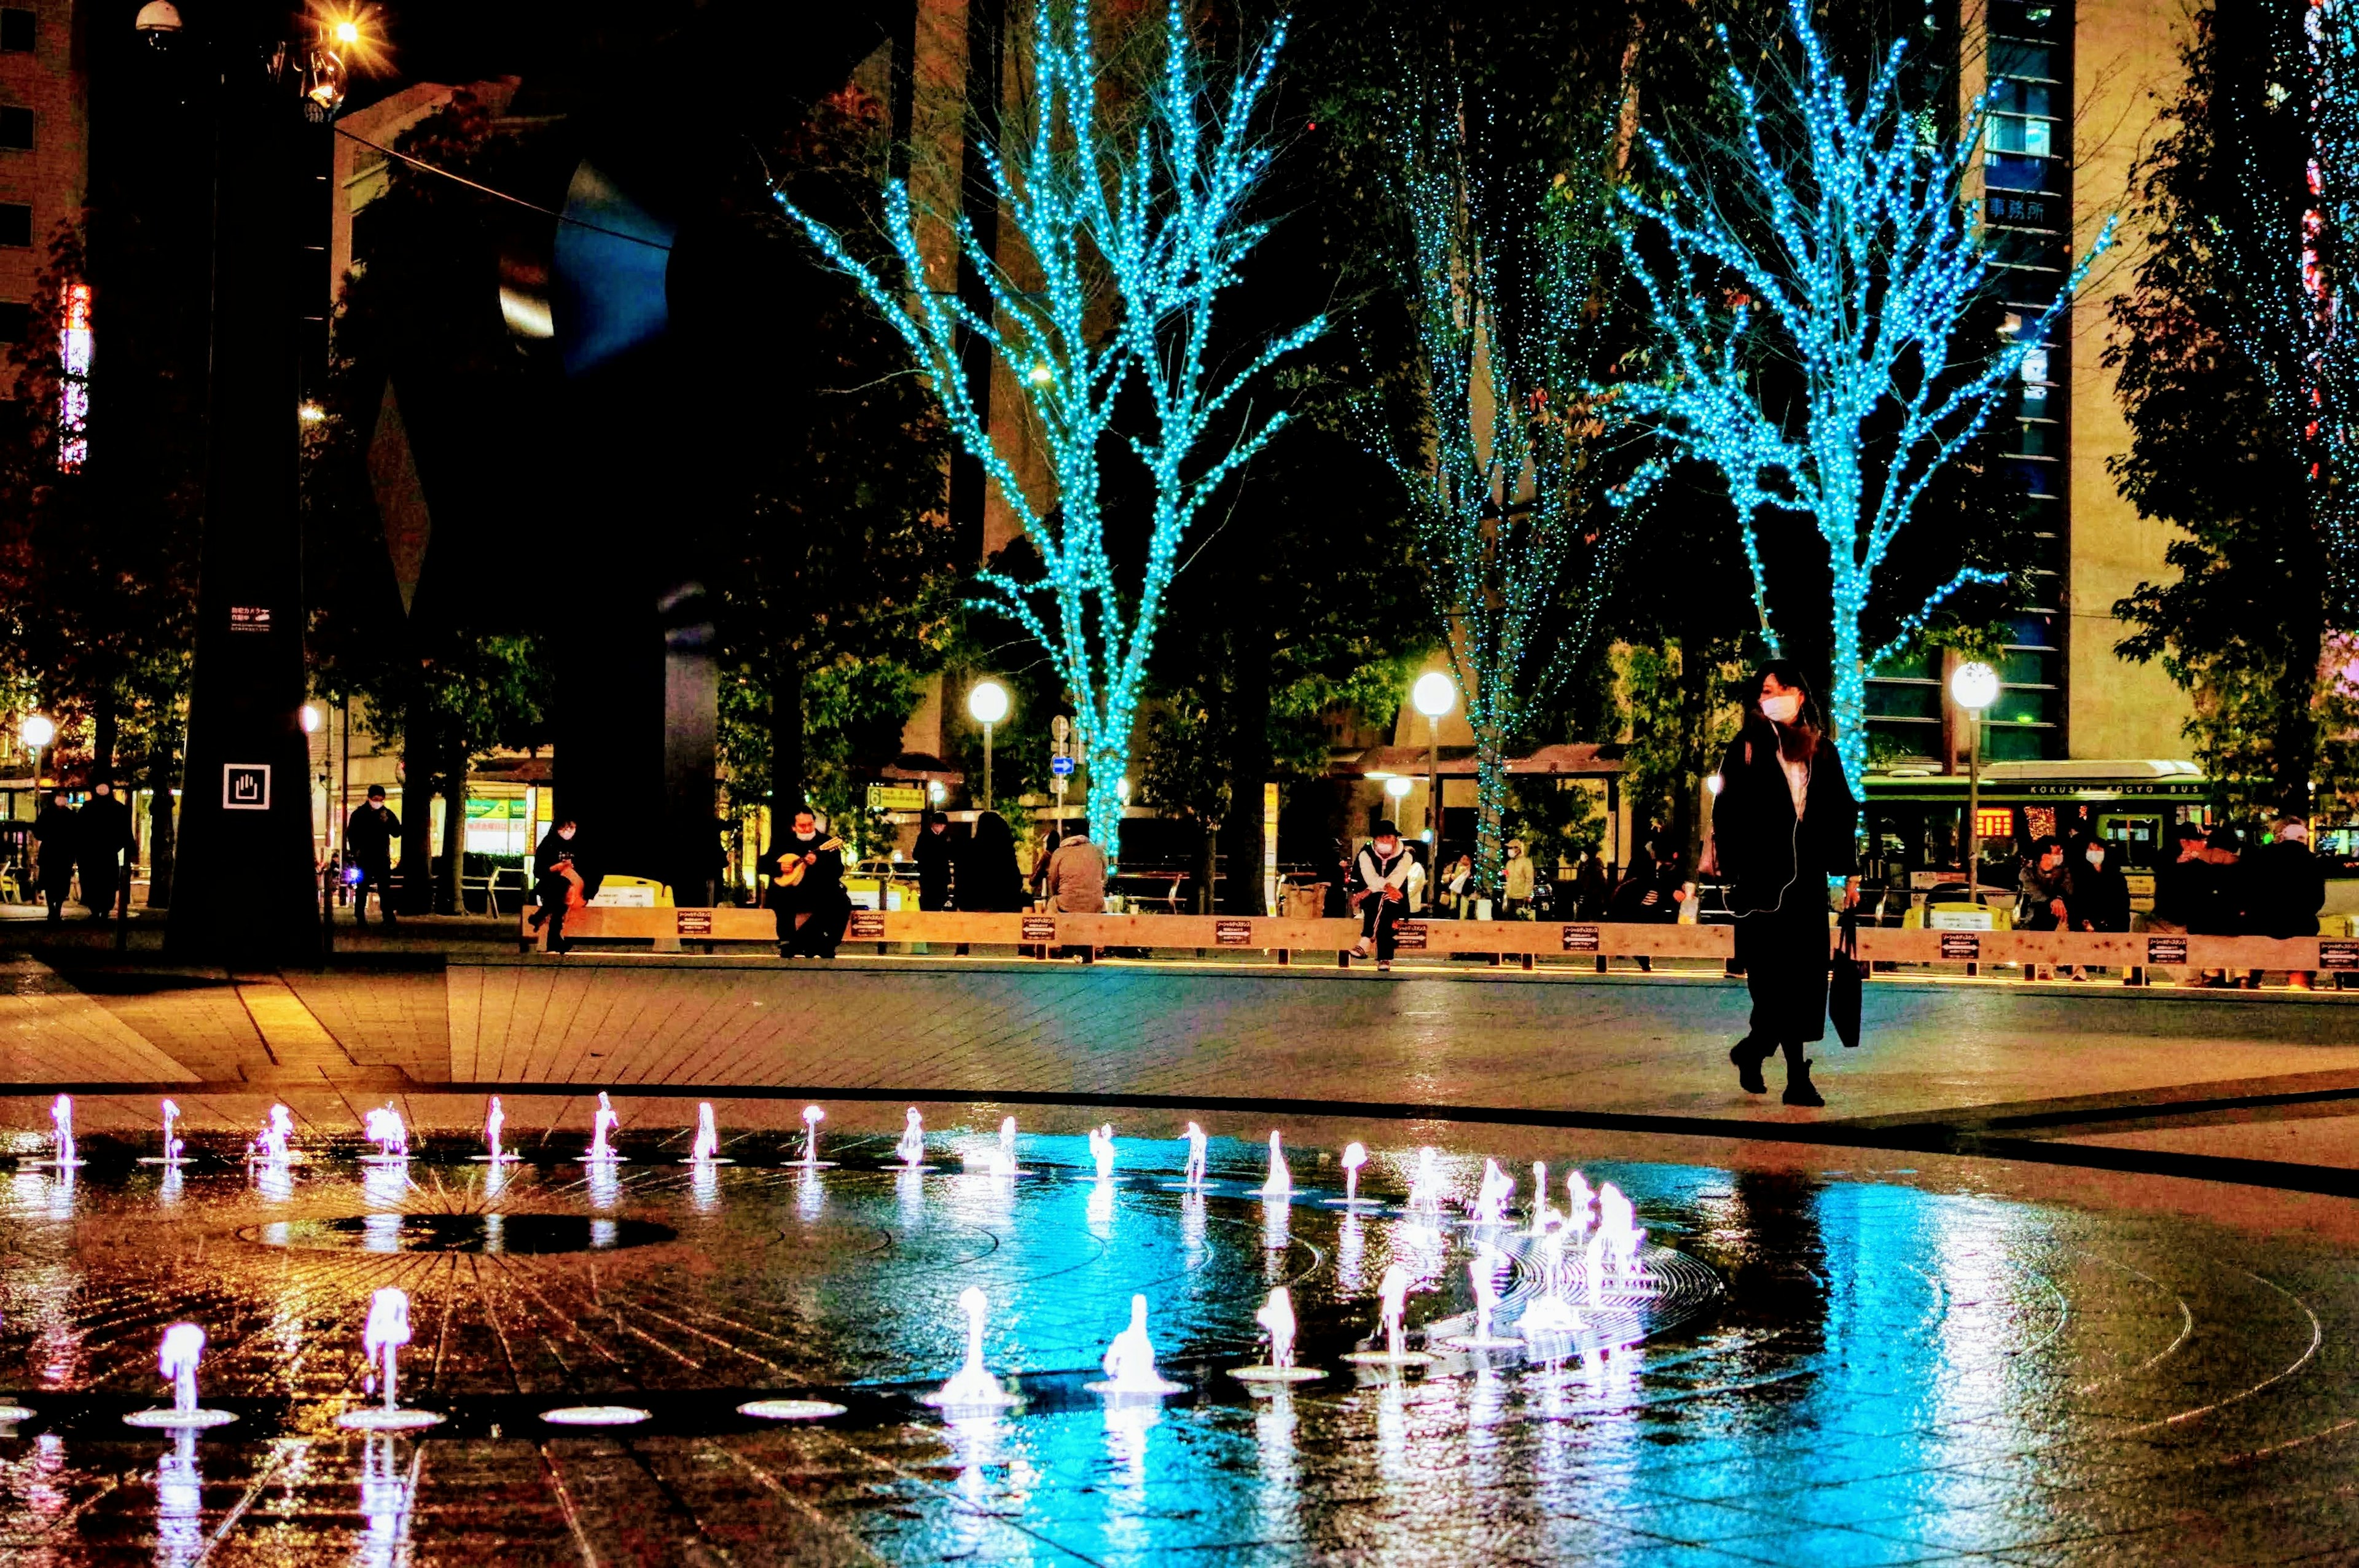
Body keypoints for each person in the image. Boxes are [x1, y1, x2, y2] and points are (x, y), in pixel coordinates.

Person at [1708, 661, 1859, 1108]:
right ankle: (1759, 1052)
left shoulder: (1822, 750)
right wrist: (1739, 866)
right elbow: (1725, 813)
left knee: (1806, 979)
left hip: (1806, 884)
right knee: (1771, 982)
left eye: (1777, 689)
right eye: (1763, 691)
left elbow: (1841, 811)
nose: (1769, 697)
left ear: (1798, 692)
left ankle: (1790, 1071)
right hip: (1759, 886)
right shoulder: (1746, 748)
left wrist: (1849, 872)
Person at [2245, 816, 2328, 988]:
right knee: (2308, 928)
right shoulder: (2311, 861)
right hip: (2300, 923)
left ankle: (2251, 977)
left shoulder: (2262, 857)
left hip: (2263, 922)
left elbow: (2251, 892)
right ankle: (2299, 979)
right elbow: (2317, 899)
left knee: (2256, 929)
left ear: (2281, 836)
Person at [761, 807, 851, 958]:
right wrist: (779, 867)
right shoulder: (783, 842)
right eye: (802, 826)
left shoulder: (826, 842)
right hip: (792, 892)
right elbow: (763, 865)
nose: (807, 829)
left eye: (810, 824)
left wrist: (819, 862)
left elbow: (837, 870)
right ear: (794, 827)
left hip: (820, 891)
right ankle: (795, 942)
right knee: (782, 899)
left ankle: (821, 944)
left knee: (842, 902)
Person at [1348, 821, 1418, 969]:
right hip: (1372, 900)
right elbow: (1370, 877)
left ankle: (1367, 937)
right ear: (1374, 839)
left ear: (1395, 838)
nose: (1385, 841)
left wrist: (1367, 891)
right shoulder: (1365, 854)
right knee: (1383, 902)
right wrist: (1382, 887)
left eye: (1388, 837)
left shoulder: (1406, 857)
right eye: (1381, 837)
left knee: (1386, 900)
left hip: (1396, 899)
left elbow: (1396, 881)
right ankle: (1384, 959)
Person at [2063, 834, 2130, 981]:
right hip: (2086, 921)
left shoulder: (2116, 877)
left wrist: (2103, 922)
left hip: (2111, 921)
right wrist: (2087, 922)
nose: (2095, 852)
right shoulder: (2079, 876)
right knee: (2076, 932)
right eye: (2091, 848)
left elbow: (2121, 904)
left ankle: (2130, 973)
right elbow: (2078, 901)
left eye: (2098, 848)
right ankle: (2079, 971)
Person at [2193, 824, 2245, 986]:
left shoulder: (2197, 863)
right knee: (2241, 937)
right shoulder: (2238, 864)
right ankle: (2243, 976)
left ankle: (2211, 974)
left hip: (2203, 920)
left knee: (2208, 937)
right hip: (2233, 919)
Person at [75, 778, 135, 922]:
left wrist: (124, 847)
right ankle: (96, 910)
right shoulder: (88, 809)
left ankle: (104, 910)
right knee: (93, 883)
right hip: (92, 855)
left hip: (106, 853)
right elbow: (79, 832)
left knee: (106, 883)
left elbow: (125, 832)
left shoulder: (117, 809)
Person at [528, 818, 589, 953]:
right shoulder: (548, 845)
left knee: (563, 895)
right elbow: (538, 871)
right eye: (564, 827)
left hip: (573, 887)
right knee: (563, 892)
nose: (568, 831)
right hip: (550, 885)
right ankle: (553, 939)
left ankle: (539, 919)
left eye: (571, 827)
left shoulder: (579, 845)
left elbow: (587, 869)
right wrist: (555, 868)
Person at [344, 785, 401, 926]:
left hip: (382, 856)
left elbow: (397, 832)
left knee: (384, 888)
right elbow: (351, 833)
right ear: (369, 798)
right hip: (365, 857)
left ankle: (388, 916)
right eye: (376, 799)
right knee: (363, 887)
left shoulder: (386, 813)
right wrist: (356, 850)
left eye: (381, 799)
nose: (378, 802)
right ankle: (360, 917)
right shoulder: (359, 814)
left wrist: (387, 822)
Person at [961, 810, 1025, 911]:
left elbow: (962, 882)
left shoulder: (968, 849)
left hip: (973, 909)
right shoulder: (1003, 851)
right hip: (1002, 908)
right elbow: (1015, 881)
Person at [1043, 817, 1108, 913]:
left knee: (1051, 906)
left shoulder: (1059, 853)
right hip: (1094, 906)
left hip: (1065, 905)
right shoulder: (1098, 851)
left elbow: (1053, 882)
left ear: (1070, 834)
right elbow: (1105, 878)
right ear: (1088, 832)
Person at [31, 788, 74, 923]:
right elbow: (38, 831)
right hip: (50, 855)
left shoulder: (71, 816)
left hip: (64, 856)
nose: (62, 798)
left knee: (61, 885)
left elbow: (77, 835)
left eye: (64, 796)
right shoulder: (47, 813)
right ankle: (52, 910)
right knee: (50, 885)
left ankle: (58, 910)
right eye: (60, 796)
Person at [913, 809, 955, 912]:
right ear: (935, 825)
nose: (943, 828)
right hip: (929, 877)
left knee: (941, 899)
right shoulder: (925, 836)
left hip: (941, 877)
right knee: (929, 902)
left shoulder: (943, 837)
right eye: (941, 825)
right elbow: (917, 854)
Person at [1573, 847, 1609, 921]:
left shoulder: (1588, 865)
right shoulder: (1590, 865)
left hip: (1591, 896)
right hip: (1591, 896)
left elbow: (1580, 881)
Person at [1503, 838, 1535, 918]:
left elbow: (1529, 880)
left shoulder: (1526, 863)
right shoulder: (1509, 863)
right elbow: (1507, 877)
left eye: (1511, 848)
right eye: (1509, 848)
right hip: (1510, 896)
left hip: (1521, 897)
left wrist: (1526, 895)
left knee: (1520, 918)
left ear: (1518, 849)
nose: (1509, 850)